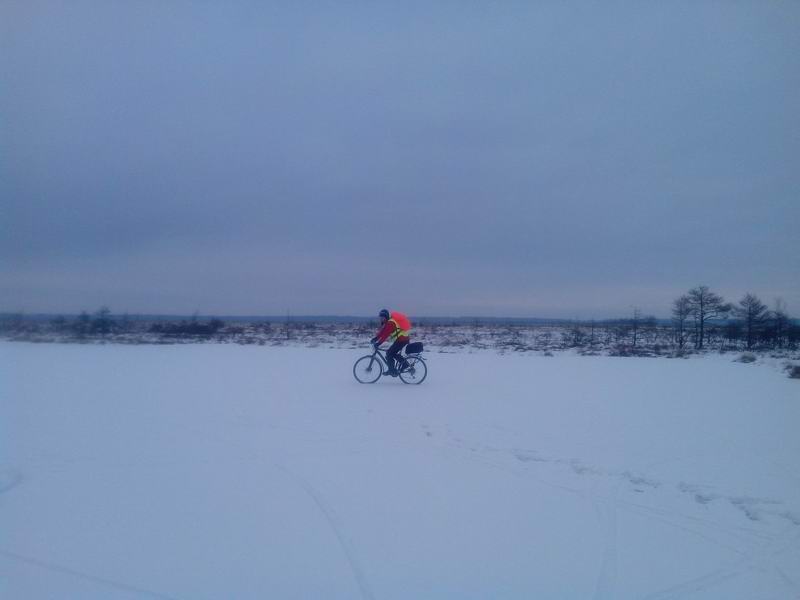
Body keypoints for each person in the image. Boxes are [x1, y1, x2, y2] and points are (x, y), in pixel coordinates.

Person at [371, 309, 411, 376]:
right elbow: (383, 332)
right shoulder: (388, 322)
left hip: (402, 340)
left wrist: (378, 343)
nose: (381, 319)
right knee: (391, 353)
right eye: (380, 318)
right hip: (401, 340)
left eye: (382, 318)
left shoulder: (390, 323)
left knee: (389, 353)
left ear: (386, 317)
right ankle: (393, 368)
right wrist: (376, 338)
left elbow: (385, 335)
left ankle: (395, 369)